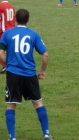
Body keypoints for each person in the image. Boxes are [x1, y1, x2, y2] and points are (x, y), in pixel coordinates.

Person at [0, 9, 53, 140]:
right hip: (30, 74)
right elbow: (45, 55)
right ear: (28, 19)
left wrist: (10, 64)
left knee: (11, 105)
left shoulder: (7, 34)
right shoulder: (33, 35)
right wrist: (42, 71)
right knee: (38, 103)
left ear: (15, 19)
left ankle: (12, 137)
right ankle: (46, 134)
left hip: (13, 75)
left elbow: (0, 53)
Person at [0, 0, 15, 74]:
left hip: (3, 31)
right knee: (10, 49)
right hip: (12, 30)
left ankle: (6, 66)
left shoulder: (1, 7)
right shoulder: (11, 6)